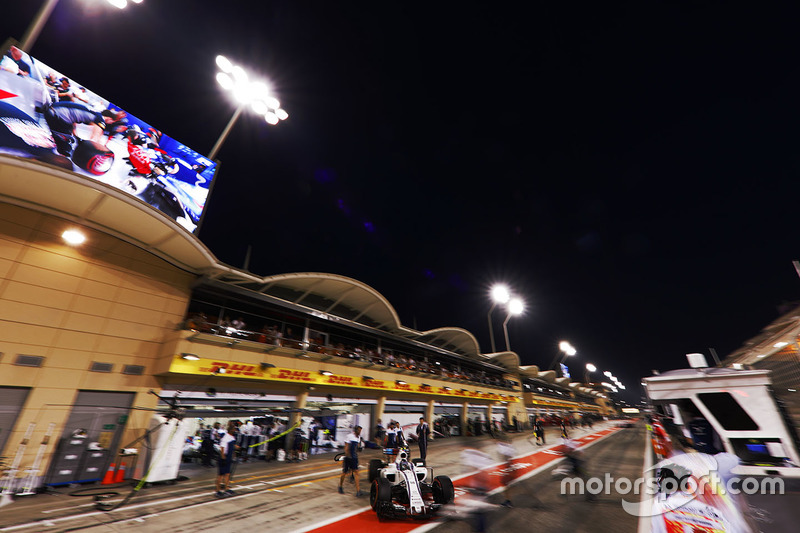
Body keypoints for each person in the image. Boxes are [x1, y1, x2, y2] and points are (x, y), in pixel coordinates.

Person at [41, 101, 122, 157]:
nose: (111, 123)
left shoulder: (93, 112)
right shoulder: (100, 119)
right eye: (112, 121)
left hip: (52, 110)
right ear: (109, 118)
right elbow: (96, 137)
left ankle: (52, 144)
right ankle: (57, 159)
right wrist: (100, 150)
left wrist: (76, 136)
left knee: (66, 137)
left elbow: (73, 121)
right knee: (65, 147)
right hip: (56, 115)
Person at [337, 425, 379, 497]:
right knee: (344, 472)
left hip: (354, 457)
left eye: (360, 431)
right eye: (359, 430)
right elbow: (346, 447)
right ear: (355, 430)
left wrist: (359, 449)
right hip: (349, 457)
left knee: (356, 472)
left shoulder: (358, 438)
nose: (360, 432)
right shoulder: (349, 436)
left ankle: (358, 491)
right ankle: (340, 486)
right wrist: (348, 456)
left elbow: (357, 448)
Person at [215, 426, 238, 497]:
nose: (235, 430)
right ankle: (218, 491)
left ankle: (226, 488)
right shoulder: (225, 438)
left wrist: (235, 453)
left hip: (229, 457)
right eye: (234, 429)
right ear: (230, 430)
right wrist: (223, 458)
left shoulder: (232, 437)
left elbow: (233, 447)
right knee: (221, 475)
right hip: (224, 457)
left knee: (227, 474)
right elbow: (222, 448)